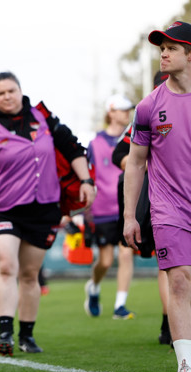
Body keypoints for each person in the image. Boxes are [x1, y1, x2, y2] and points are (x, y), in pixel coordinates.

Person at [0, 71, 95, 357]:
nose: (6, 96)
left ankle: (27, 336)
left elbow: (72, 148)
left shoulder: (43, 118)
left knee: (30, 274)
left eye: (11, 91)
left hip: (43, 208)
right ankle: (4, 332)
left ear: (20, 91)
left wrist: (86, 181)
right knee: (7, 266)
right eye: (0, 93)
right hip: (1, 208)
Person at [123, 21, 191, 372]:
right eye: (160, 47)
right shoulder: (149, 106)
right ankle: (185, 366)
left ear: (190, 55)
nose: (163, 53)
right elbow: (135, 162)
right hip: (168, 208)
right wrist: (130, 216)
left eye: (172, 47)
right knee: (179, 280)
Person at [112, 71, 171, 344]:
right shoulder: (148, 110)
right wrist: (146, 163)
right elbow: (120, 157)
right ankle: (169, 325)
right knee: (168, 264)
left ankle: (170, 325)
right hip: (154, 196)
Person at [84, 94, 135, 319]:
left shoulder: (136, 138)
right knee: (105, 261)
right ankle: (93, 287)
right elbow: (87, 177)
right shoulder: (95, 144)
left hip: (128, 207)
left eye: (128, 110)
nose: (127, 114)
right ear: (111, 112)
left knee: (126, 255)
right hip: (103, 209)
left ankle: (120, 306)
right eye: (123, 110)